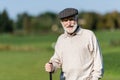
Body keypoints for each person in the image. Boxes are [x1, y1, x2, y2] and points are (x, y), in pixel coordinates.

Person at [45, 8, 104, 80]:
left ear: (77, 19)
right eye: (65, 21)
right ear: (61, 22)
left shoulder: (89, 35)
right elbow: (57, 60)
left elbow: (98, 62)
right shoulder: (61, 39)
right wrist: (52, 66)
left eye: (71, 19)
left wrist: (95, 78)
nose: (69, 23)